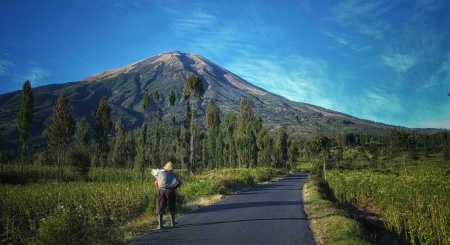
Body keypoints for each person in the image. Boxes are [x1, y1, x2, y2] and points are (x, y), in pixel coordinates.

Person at [153, 161, 182, 229]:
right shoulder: (173, 174)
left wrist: (160, 188)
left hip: (161, 190)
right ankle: (173, 222)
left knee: (160, 205)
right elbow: (179, 182)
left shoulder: (160, 173)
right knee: (171, 204)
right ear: (172, 168)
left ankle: (160, 225)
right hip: (170, 190)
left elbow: (155, 183)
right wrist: (175, 187)